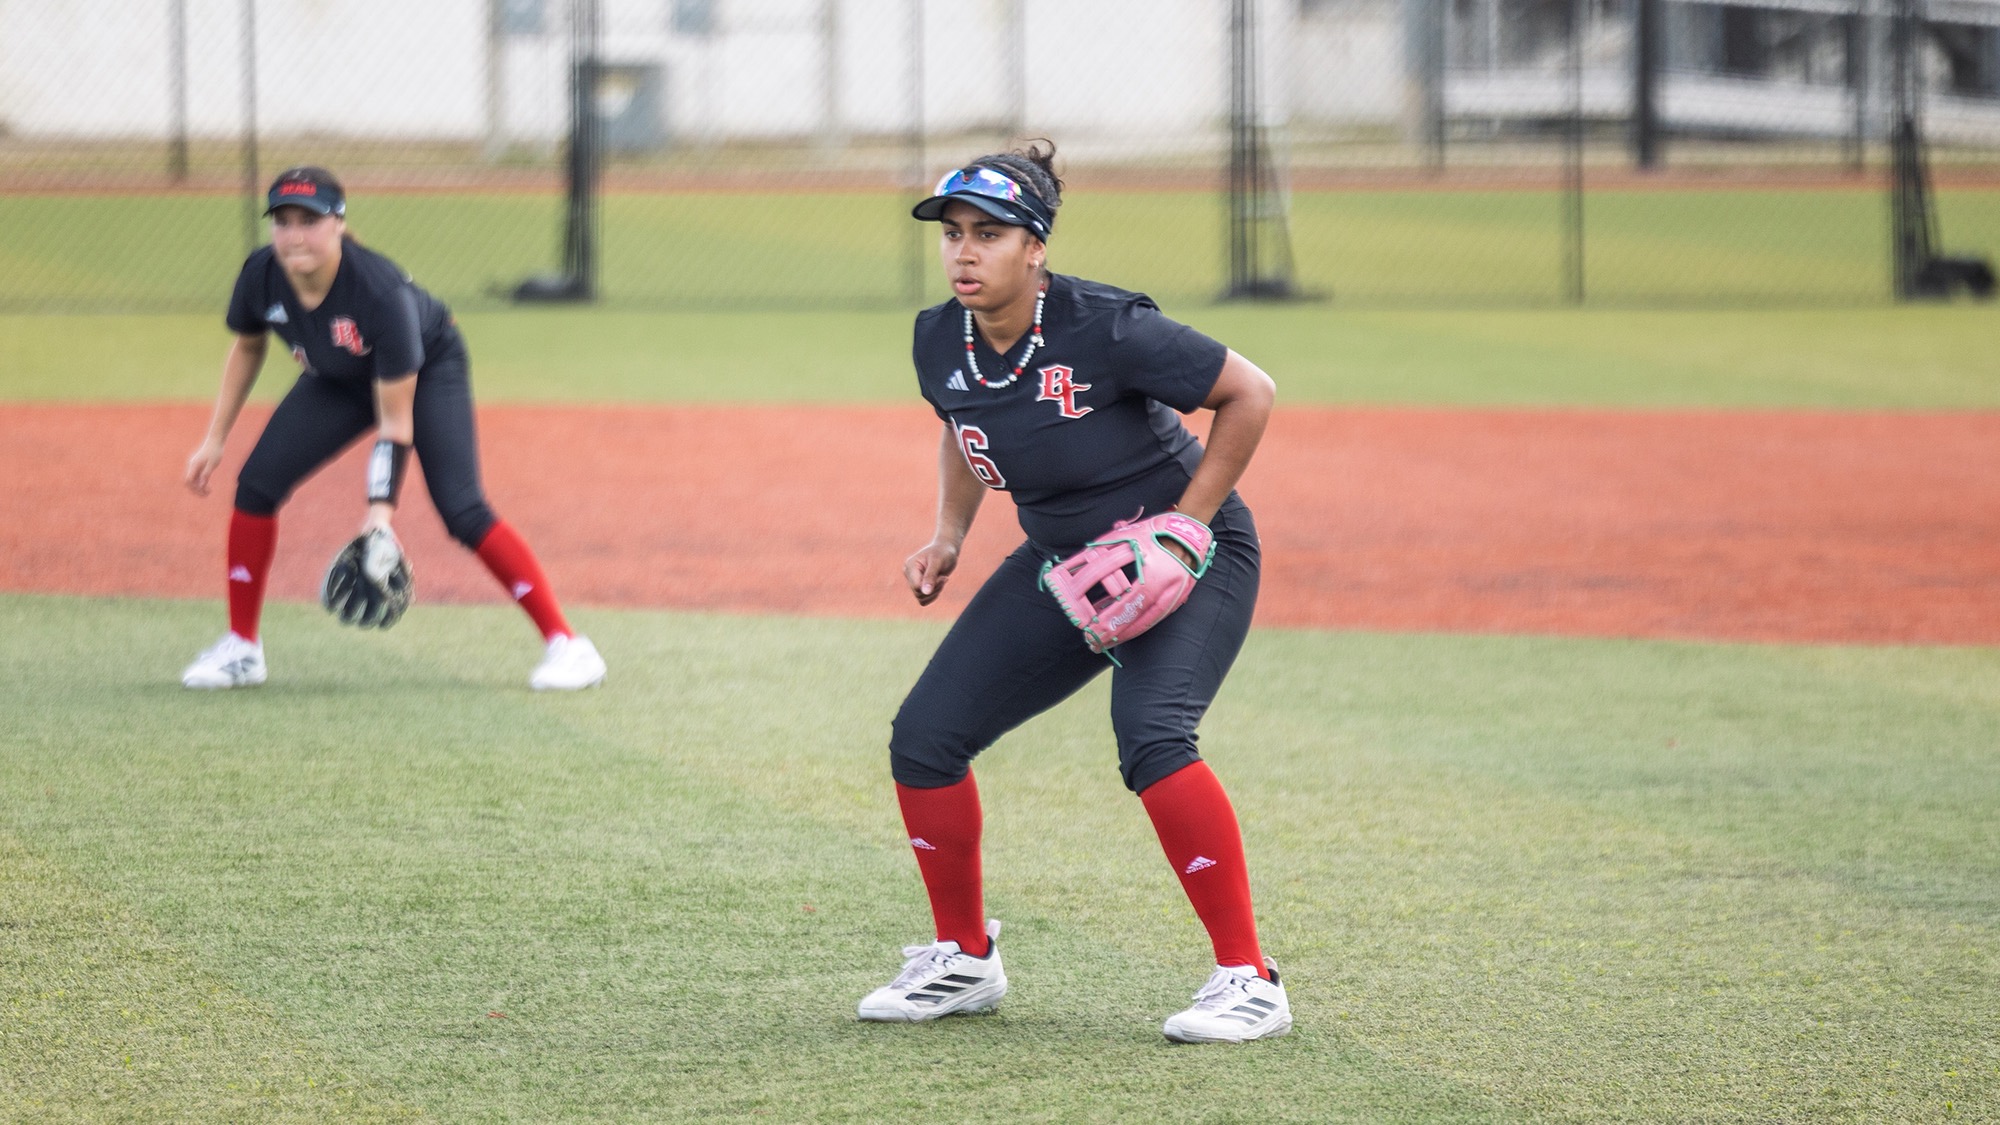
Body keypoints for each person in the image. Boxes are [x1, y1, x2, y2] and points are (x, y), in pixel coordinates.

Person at [855, 143, 1288, 1043]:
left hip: (1191, 553)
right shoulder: (940, 337)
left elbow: (1249, 391)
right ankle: (965, 957)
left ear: (1036, 246)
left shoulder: (1107, 326)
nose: (965, 252)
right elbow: (962, 426)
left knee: (1154, 736)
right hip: (1062, 562)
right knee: (926, 738)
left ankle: (1250, 979)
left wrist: (1188, 523)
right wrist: (948, 535)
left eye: (991, 234)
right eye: (955, 234)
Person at [180, 166, 605, 692]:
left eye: (309, 220)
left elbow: (395, 419)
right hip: (339, 375)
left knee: (462, 508)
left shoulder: (379, 292)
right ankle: (242, 649)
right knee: (256, 485)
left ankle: (568, 645)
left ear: (338, 223)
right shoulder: (261, 274)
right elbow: (248, 345)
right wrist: (215, 437)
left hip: (426, 369)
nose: (294, 235)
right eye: (283, 221)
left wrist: (378, 515)